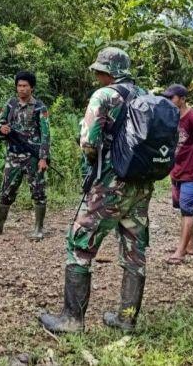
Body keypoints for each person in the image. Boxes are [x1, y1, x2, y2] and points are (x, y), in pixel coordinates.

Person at [40, 47, 153, 334]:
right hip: (142, 185)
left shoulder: (104, 96)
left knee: (79, 243)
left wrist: (95, 163)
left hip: (110, 184)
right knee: (134, 250)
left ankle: (72, 319)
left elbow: (89, 143)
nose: (97, 76)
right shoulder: (146, 96)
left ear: (109, 71)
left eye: (100, 71)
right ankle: (127, 319)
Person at [0, 71, 51, 241]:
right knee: (6, 190)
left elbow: (45, 134)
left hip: (33, 156)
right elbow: (0, 122)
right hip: (13, 155)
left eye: (25, 86)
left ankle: (38, 228)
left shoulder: (39, 107)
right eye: (19, 86)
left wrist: (43, 158)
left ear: (32, 87)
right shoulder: (11, 104)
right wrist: (2, 129)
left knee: (38, 191)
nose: (22, 89)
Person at [162, 84, 193, 265]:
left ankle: (180, 252)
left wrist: (192, 154)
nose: (168, 101)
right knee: (181, 208)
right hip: (177, 170)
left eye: (171, 98)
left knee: (187, 211)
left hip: (191, 171)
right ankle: (190, 245)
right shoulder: (171, 117)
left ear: (182, 99)